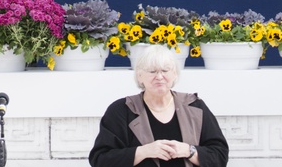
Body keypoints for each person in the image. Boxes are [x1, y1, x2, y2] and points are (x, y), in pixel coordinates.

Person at [89, 43, 229, 167]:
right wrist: (143, 151)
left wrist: (188, 150)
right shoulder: (121, 110)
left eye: (165, 70)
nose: (160, 77)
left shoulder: (195, 106)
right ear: (140, 76)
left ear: (174, 74)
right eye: (152, 71)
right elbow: (100, 160)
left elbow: (220, 156)